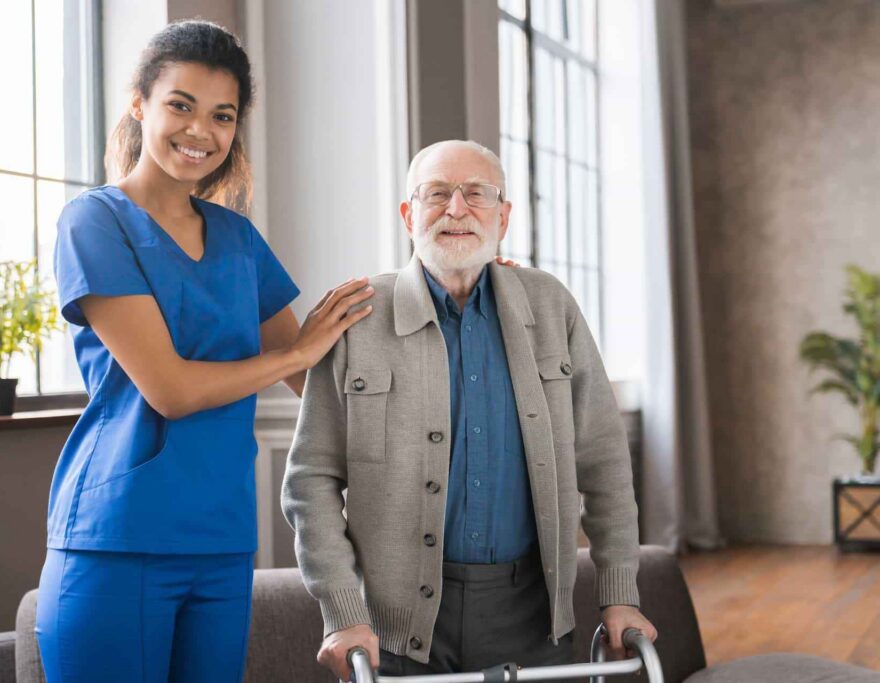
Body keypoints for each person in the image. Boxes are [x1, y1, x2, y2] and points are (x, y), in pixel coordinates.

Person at [34, 20, 374, 682]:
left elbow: (317, 377)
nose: (201, 131)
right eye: (180, 105)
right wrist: (295, 352)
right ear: (140, 103)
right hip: (117, 536)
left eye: (222, 115)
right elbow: (172, 389)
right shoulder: (95, 221)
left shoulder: (238, 238)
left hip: (221, 539)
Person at [282, 139, 658, 680]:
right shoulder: (356, 318)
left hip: (534, 619)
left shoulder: (551, 305)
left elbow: (603, 461)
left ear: (504, 217)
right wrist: (343, 611)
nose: (456, 209)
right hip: (396, 630)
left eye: (476, 194)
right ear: (409, 215)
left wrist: (619, 590)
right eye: (436, 194)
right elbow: (309, 481)